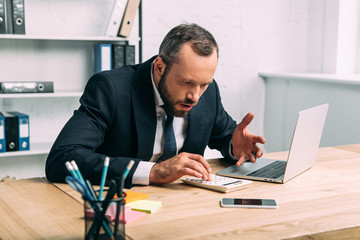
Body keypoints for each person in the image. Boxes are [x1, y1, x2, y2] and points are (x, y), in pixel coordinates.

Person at [45, 23, 265, 189]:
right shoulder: (111, 89)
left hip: (185, 204)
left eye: (203, 84)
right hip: (120, 205)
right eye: (187, 82)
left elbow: (226, 136)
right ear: (160, 67)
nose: (195, 96)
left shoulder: (208, 92)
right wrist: (153, 172)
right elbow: (62, 158)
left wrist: (234, 147)